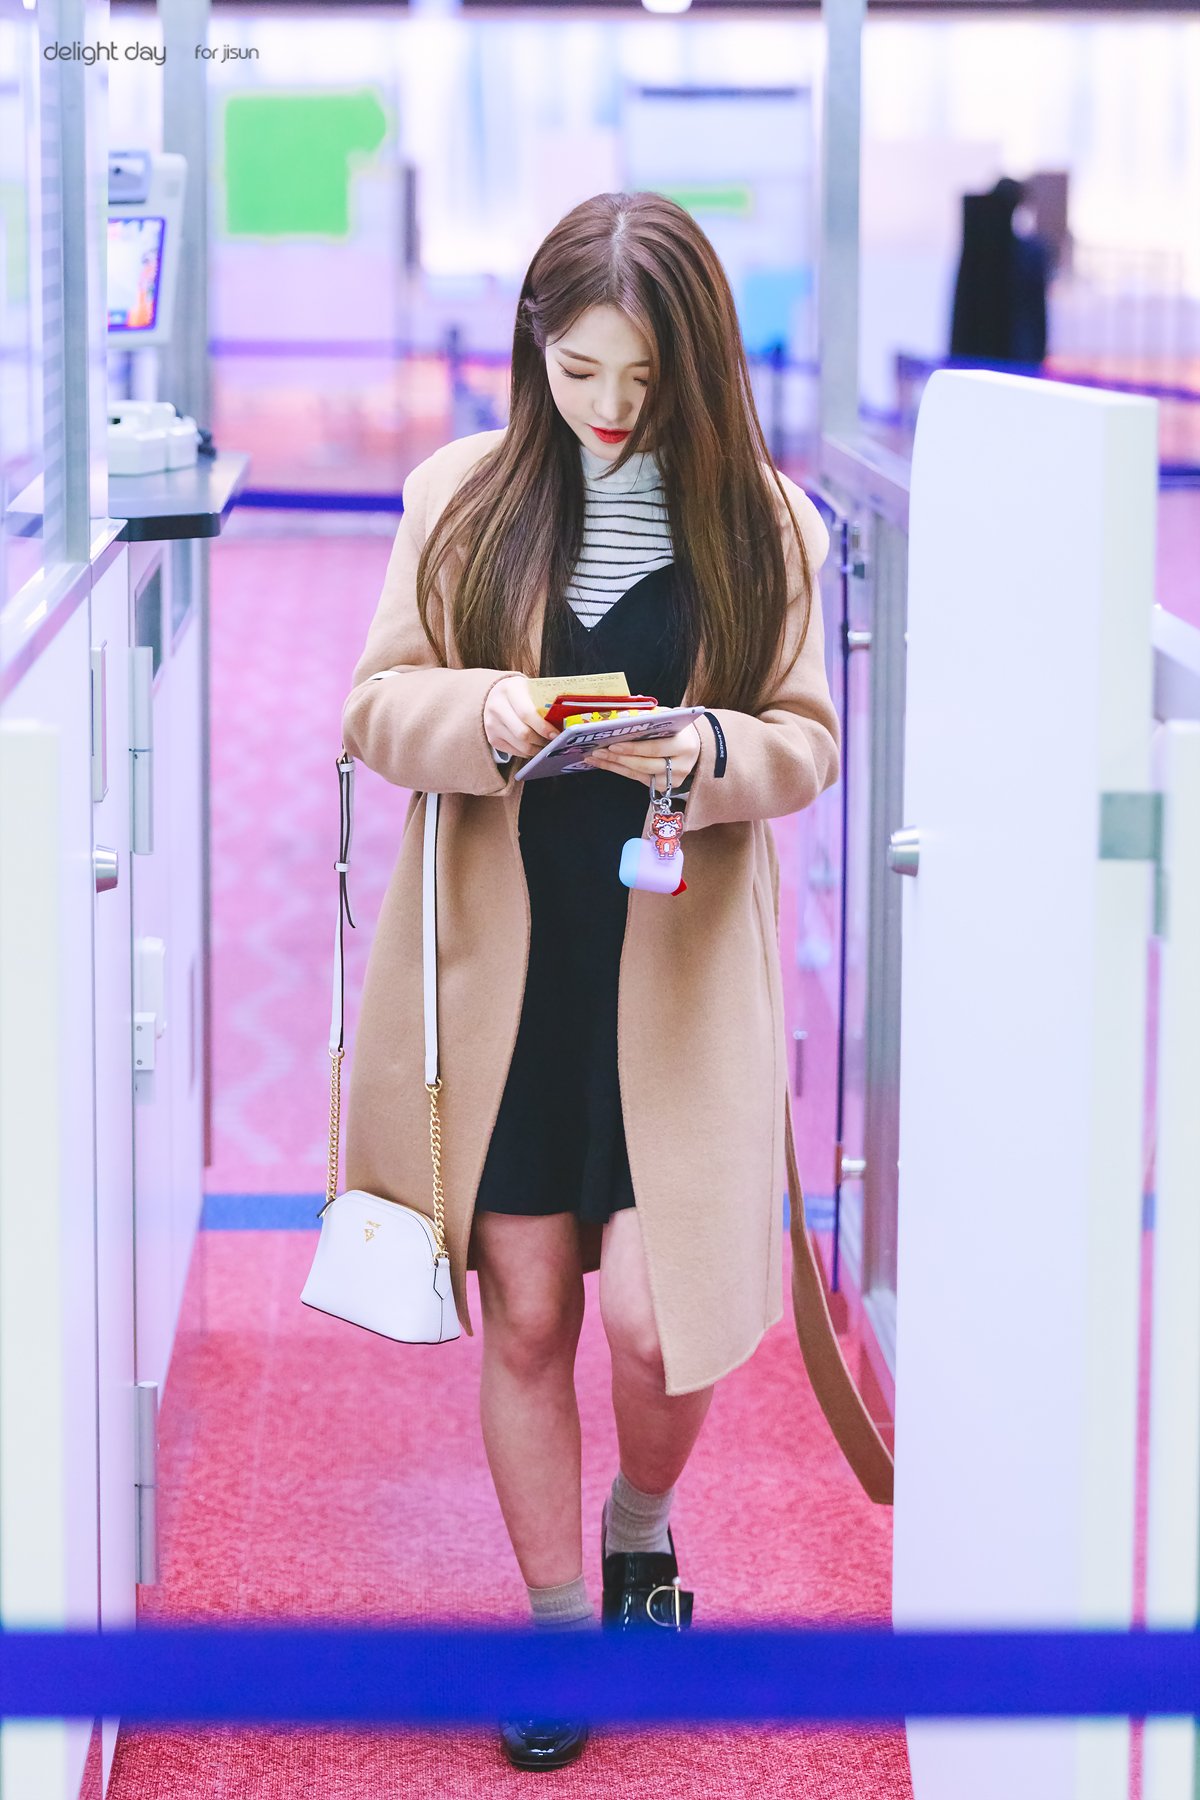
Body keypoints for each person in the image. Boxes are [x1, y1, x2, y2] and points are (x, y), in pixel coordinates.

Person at [339, 190, 891, 1773]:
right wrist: (488, 715)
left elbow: (807, 741)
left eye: (643, 379)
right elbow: (376, 708)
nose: (607, 408)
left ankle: (642, 1526)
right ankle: (561, 1626)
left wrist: (712, 748)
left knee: (657, 1323)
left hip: (676, 971)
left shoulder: (765, 523)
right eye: (579, 371)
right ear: (536, 347)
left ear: (700, 368)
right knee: (525, 1312)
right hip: (507, 970)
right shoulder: (461, 498)